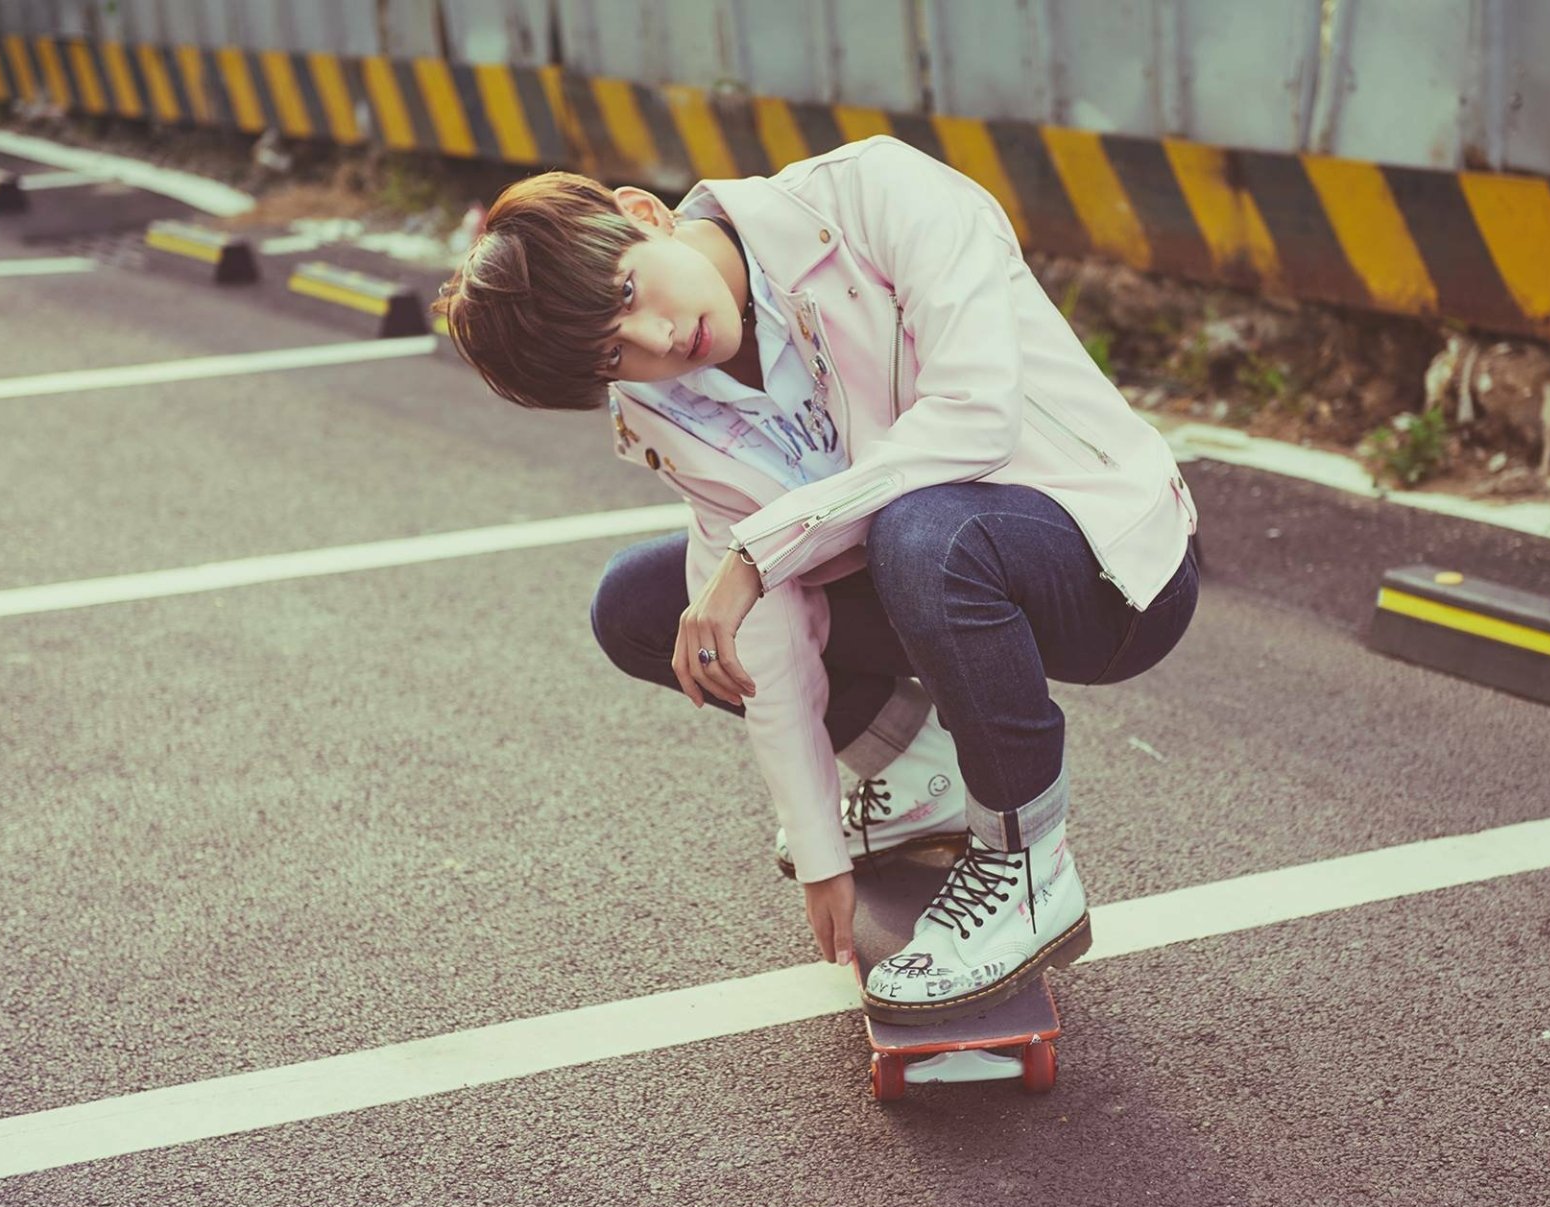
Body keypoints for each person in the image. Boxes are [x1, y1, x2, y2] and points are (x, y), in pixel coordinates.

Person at [436, 136, 1199, 1025]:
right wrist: (819, 841)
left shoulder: (873, 194)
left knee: (922, 530)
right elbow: (766, 625)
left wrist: (758, 554)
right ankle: (925, 777)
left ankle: (1028, 868)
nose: (657, 342)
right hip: (928, 571)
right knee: (646, 607)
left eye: (629, 295)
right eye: (614, 355)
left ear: (643, 215)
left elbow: (975, 419)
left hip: (1107, 561)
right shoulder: (662, 402)